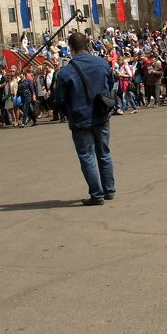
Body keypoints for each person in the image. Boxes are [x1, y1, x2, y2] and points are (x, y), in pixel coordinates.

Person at [53, 31, 116, 206]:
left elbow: (60, 98)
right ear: (88, 44)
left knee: (87, 156)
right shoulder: (102, 63)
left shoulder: (66, 72)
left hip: (80, 118)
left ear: (71, 48)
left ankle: (97, 195)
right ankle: (109, 190)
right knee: (104, 153)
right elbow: (111, 85)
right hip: (101, 114)